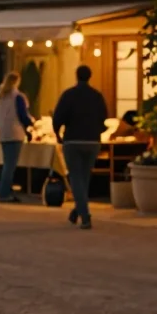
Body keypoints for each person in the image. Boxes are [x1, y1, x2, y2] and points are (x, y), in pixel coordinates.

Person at [52, 65, 108, 230]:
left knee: (76, 178)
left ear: (76, 76)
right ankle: (77, 211)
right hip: (92, 141)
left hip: (73, 140)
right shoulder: (97, 96)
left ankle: (85, 216)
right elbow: (104, 117)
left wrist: (58, 134)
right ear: (90, 76)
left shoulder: (69, 95)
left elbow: (57, 117)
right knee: (84, 178)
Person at [0, 72, 34, 203]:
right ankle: (3, 193)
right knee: (10, 165)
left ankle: (7, 191)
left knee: (6, 163)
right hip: (15, 133)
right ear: (17, 82)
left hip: (3, 133)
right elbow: (22, 115)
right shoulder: (17, 96)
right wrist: (30, 124)